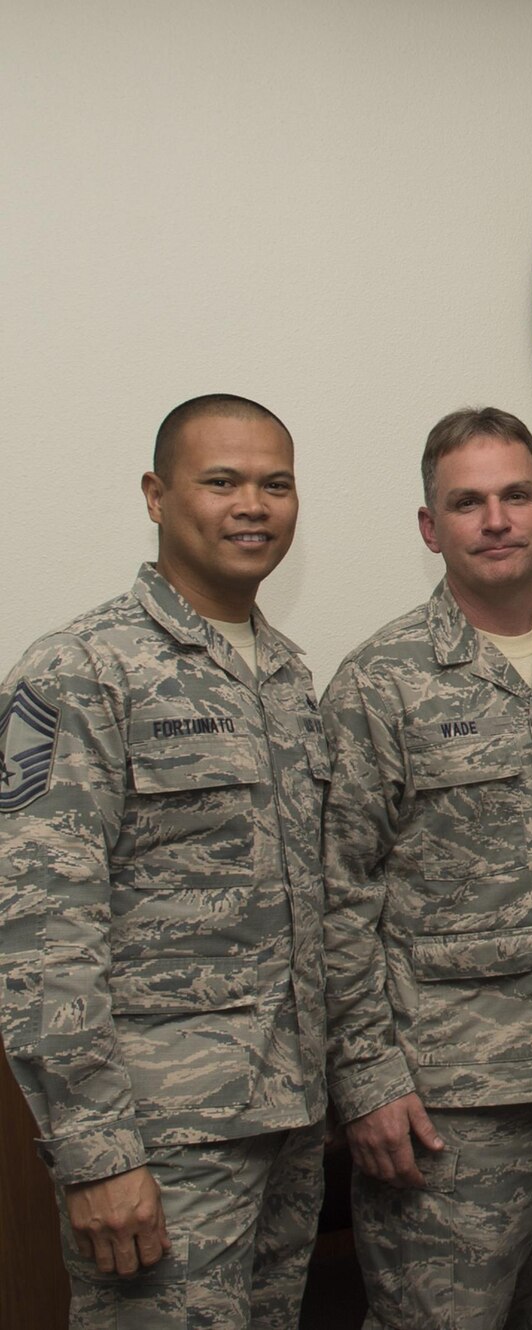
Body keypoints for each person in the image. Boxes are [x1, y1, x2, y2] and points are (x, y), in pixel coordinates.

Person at [319, 406, 532, 1328]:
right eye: (468, 503)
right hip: (453, 1105)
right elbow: (336, 897)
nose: (497, 519)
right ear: (432, 529)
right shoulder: (379, 681)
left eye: (516, 495)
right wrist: (367, 1081)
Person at [0, 394, 327, 1326]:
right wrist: (98, 1151)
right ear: (156, 495)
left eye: (276, 484)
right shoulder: (82, 670)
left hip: (288, 1118)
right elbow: (39, 930)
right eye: (220, 481)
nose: (252, 505)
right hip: (164, 1140)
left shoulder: (287, 677)